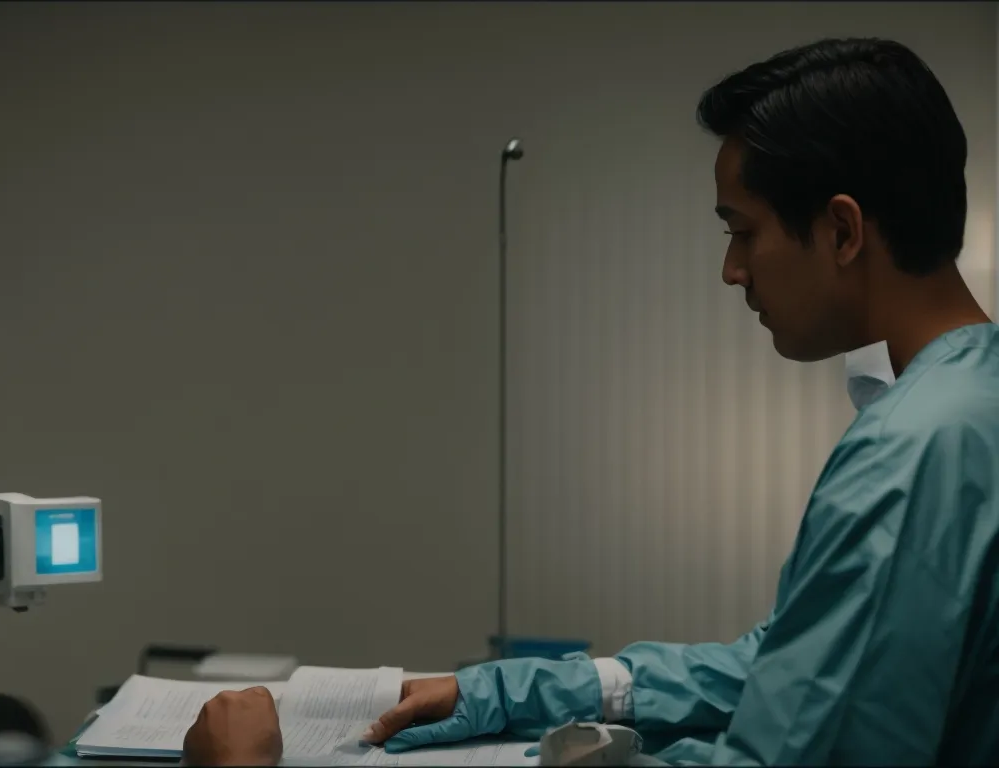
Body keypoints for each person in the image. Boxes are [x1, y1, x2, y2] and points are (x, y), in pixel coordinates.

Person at [184, 37, 998, 767]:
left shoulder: (909, 455)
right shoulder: (970, 405)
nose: (733, 271)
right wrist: (505, 694)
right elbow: (795, 665)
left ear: (843, 231)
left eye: (741, 232)